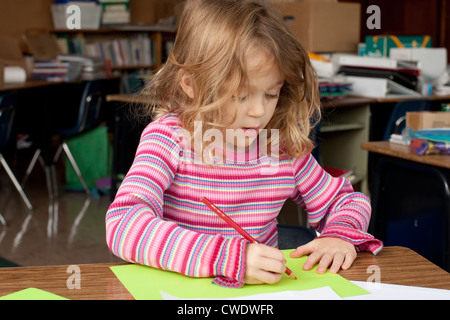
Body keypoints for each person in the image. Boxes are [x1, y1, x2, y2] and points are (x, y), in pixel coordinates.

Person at [106, 0, 383, 288]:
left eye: (271, 94)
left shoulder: (279, 148)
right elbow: (123, 224)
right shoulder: (169, 139)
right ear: (191, 83)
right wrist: (227, 257)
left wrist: (339, 234)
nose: (258, 112)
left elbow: (345, 200)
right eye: (240, 95)